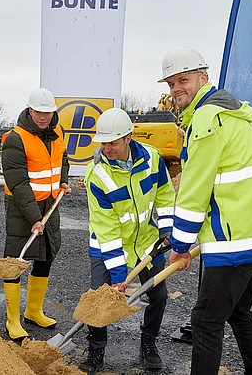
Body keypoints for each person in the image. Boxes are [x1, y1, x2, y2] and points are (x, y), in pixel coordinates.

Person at [160, 48, 252, 375]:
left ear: (203, 78)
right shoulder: (234, 113)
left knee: (205, 320)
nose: (177, 88)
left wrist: (179, 245)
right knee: (238, 310)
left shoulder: (207, 119)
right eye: (171, 83)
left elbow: (196, 188)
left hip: (237, 236)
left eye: (184, 80)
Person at [79, 108, 176, 374]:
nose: (107, 147)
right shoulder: (96, 174)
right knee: (99, 298)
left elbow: (165, 194)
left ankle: (148, 342)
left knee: (159, 295)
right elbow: (107, 228)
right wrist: (120, 274)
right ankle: (96, 348)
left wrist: (167, 230)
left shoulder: (153, 159)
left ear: (128, 138)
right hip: (107, 248)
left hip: (147, 243)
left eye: (112, 141)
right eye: (103, 142)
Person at [0, 87, 72, 341]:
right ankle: (13, 321)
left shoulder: (57, 132)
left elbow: (63, 159)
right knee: (16, 261)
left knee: (46, 256)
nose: (43, 117)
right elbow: (17, 183)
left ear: (53, 112)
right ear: (30, 110)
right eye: (38, 112)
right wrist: (34, 218)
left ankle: (33, 311)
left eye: (47, 112)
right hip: (22, 209)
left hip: (50, 205)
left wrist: (63, 181)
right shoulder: (14, 139)